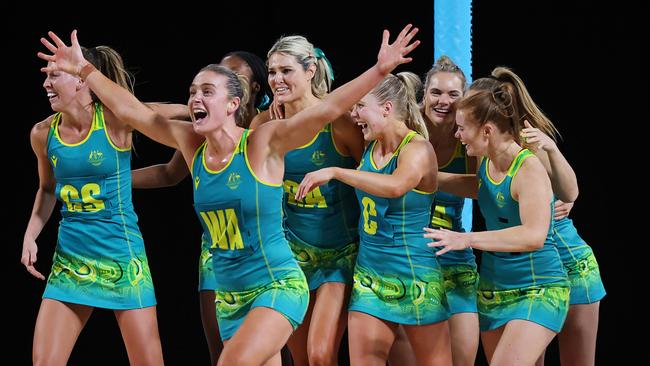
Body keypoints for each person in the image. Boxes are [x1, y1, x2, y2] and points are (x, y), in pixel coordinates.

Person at [38, 25, 420, 365]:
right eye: (192, 92)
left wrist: (380, 69)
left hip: (277, 286)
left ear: (233, 105)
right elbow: (135, 112)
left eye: (207, 91)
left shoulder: (263, 142)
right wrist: (84, 69)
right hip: (230, 298)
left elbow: (327, 110)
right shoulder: (190, 144)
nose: (195, 99)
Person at [21, 44, 186, 365]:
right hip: (71, 260)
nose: (45, 84)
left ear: (82, 80)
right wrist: (30, 233)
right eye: (45, 76)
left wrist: (210, 113)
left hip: (122, 257)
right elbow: (47, 188)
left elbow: (168, 112)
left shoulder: (114, 118)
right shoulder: (42, 133)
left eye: (55, 75)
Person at [296, 72, 452, 365]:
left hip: (416, 276)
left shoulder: (417, 148)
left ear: (387, 108)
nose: (353, 115)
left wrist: (335, 171)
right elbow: (329, 106)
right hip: (370, 277)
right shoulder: (369, 147)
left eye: (360, 107)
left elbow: (395, 186)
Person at [130, 50, 273, 365]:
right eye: (219, 73)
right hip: (219, 250)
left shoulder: (267, 128)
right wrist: (115, 182)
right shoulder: (202, 132)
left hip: (266, 252)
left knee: (270, 352)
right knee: (222, 351)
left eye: (235, 74)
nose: (225, 77)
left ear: (253, 89)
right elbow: (169, 171)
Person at [423, 80, 570, 364]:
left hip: (537, 287)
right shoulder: (487, 161)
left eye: (463, 128)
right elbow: (483, 189)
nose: (458, 134)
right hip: (494, 290)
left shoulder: (528, 168)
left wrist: (466, 239)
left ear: (487, 131)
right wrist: (427, 178)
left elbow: (533, 235)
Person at [471, 69, 606, 365]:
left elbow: (570, 193)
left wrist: (553, 151)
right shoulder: (487, 152)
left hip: (568, 262)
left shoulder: (531, 147)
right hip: (529, 274)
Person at [250, 35, 364, 366]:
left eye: (286, 71)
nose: (277, 80)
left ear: (311, 69)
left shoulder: (340, 124)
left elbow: (375, 177)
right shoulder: (263, 123)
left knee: (320, 353)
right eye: (272, 72)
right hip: (290, 256)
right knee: (299, 357)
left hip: (339, 256)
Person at [421, 55, 479, 366]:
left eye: (453, 94)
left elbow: (485, 187)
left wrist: (560, 196)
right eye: (436, 93)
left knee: (462, 355)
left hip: (454, 255)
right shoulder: (406, 127)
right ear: (424, 95)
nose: (444, 101)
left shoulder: (469, 137)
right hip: (406, 257)